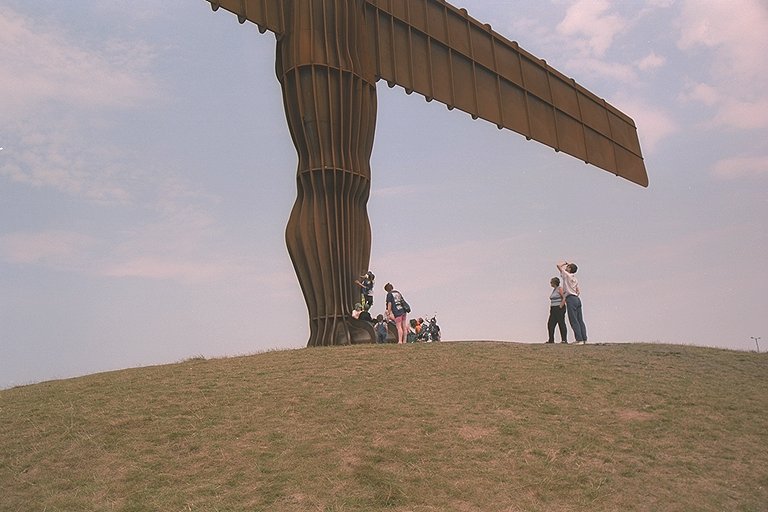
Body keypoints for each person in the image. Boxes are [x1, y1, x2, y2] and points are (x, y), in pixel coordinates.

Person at [557, 260, 587, 344]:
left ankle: (579, 339)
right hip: (577, 299)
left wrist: (565, 263)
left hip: (570, 298)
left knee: (573, 320)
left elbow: (558, 266)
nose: (566, 268)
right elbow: (578, 290)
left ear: (570, 269)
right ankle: (584, 338)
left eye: (568, 267)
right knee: (580, 319)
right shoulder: (575, 278)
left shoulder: (567, 275)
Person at [547, 277, 568, 343]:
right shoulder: (554, 290)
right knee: (550, 324)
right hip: (553, 308)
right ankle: (551, 339)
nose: (550, 283)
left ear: (554, 282)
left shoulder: (559, 288)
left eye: (551, 282)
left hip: (559, 308)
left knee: (561, 323)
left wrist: (561, 305)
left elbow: (564, 297)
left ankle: (564, 340)